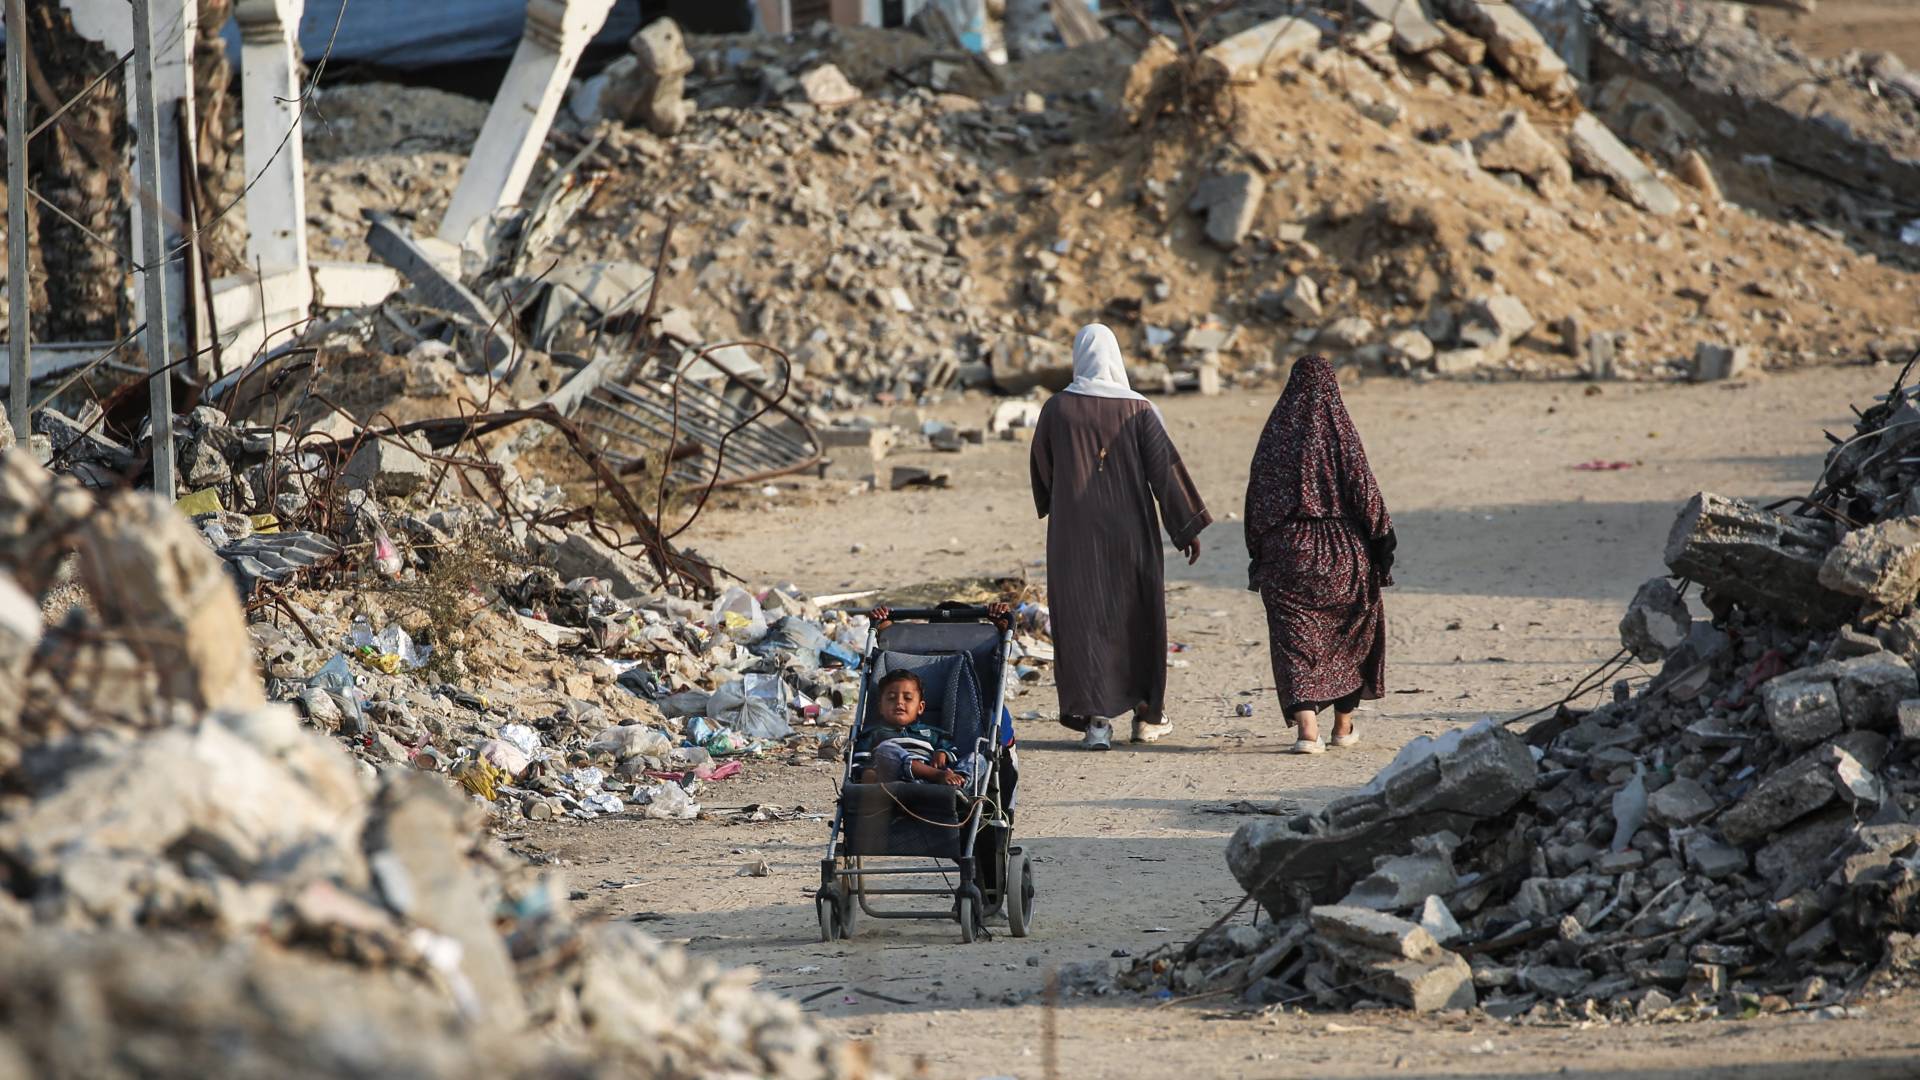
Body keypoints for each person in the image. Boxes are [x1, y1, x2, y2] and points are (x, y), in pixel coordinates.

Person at [1029, 324, 1212, 751]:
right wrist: (1185, 527)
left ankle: (1097, 723)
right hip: (1131, 534)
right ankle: (1146, 716)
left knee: (1085, 620)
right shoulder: (1139, 409)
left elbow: (1042, 469)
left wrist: (1065, 496)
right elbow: (1165, 472)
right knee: (1137, 616)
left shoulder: (1056, 409)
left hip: (1074, 537)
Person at [1244, 355, 1396, 755]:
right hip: (1342, 550)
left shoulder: (1275, 435)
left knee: (1295, 641)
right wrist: (1383, 543)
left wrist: (1259, 552)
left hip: (1287, 552)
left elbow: (1257, 499)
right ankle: (1343, 727)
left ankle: (1307, 730)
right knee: (1350, 635)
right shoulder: (1339, 431)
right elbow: (1364, 489)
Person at [856, 669, 968, 786]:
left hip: (931, 783)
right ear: (881, 708)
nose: (899, 702)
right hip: (893, 781)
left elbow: (954, 751)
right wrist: (867, 772)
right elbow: (859, 762)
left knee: (976, 758)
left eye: (908, 698)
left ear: (920, 707)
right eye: (891, 698)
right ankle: (936, 775)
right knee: (885, 750)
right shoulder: (874, 733)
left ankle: (961, 784)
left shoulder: (933, 733)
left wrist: (943, 752)